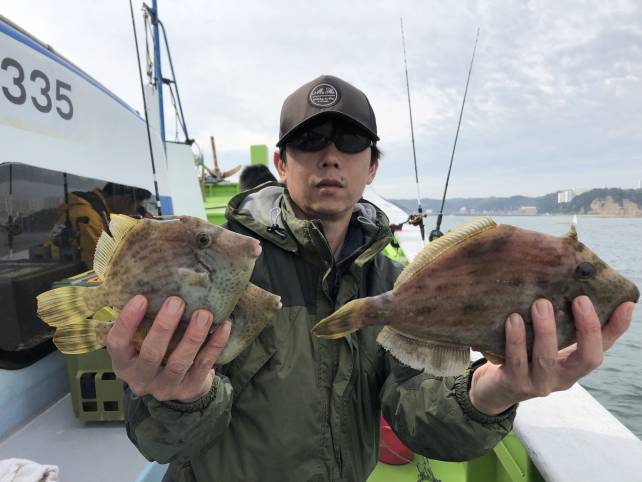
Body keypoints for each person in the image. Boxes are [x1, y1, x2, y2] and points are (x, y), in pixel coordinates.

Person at [108, 75, 635, 482]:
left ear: (372, 167)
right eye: (309, 139)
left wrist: (494, 392)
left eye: (350, 140)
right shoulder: (222, 265)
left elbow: (418, 415)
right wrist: (180, 398)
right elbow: (162, 443)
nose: (330, 156)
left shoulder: (394, 282)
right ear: (282, 163)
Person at [46, 182, 151, 268]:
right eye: (136, 206)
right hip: (62, 273)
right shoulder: (89, 217)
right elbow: (99, 263)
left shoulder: (99, 212)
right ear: (126, 199)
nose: (132, 212)